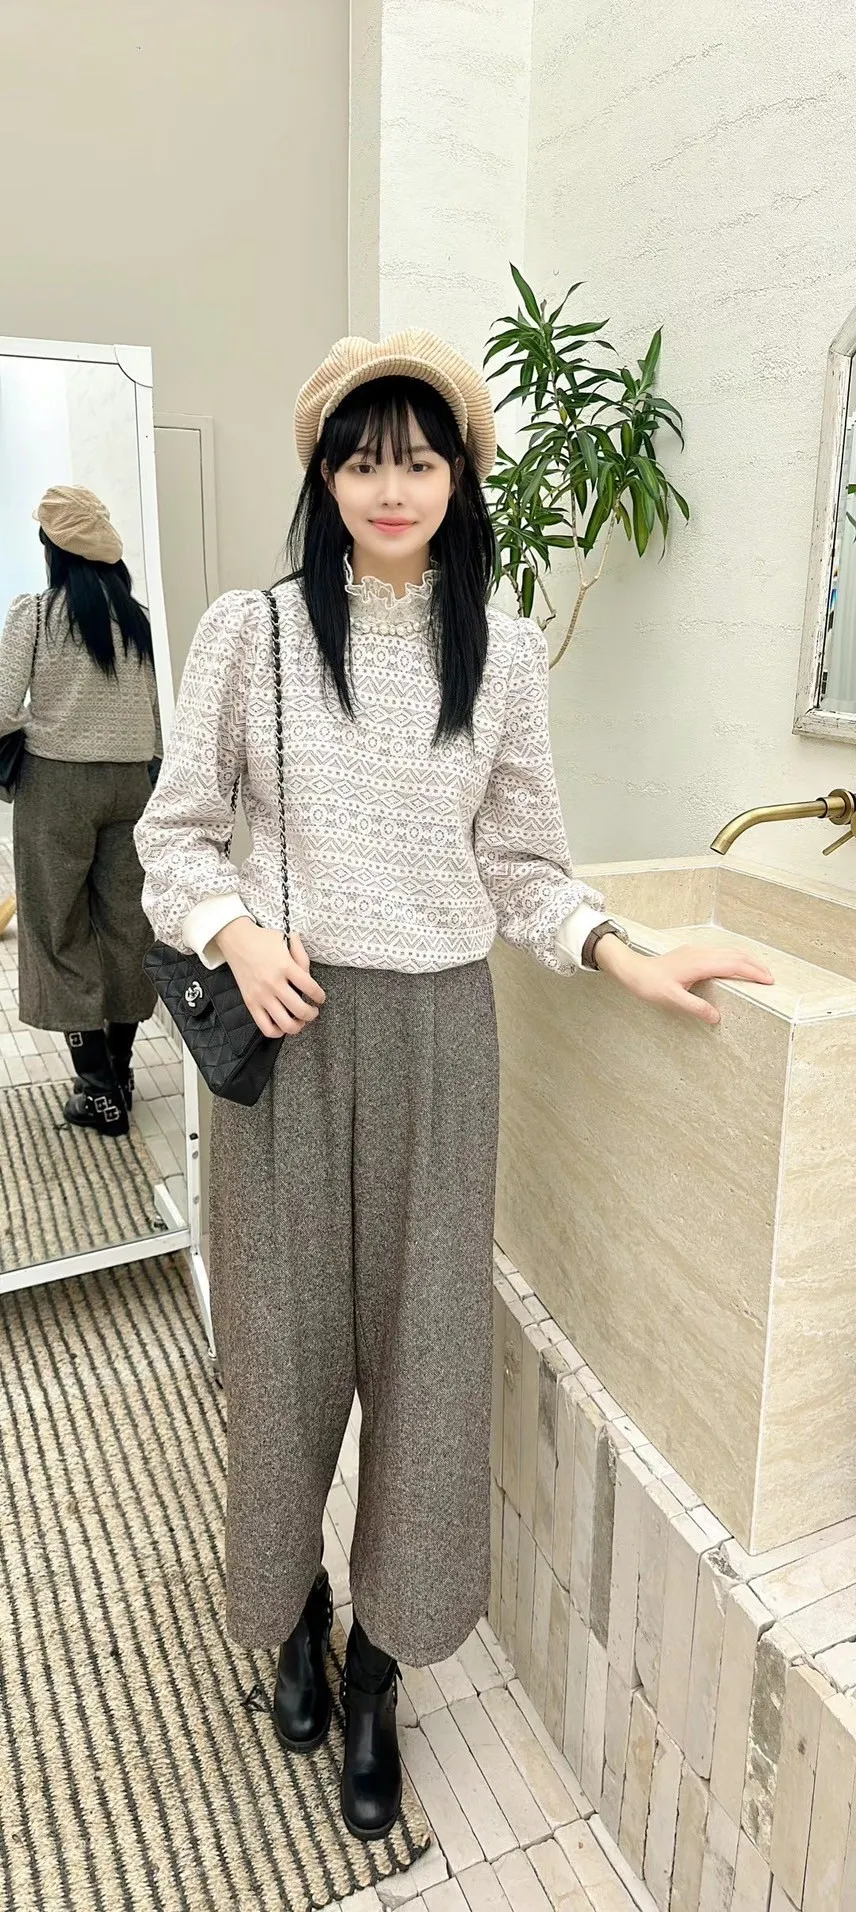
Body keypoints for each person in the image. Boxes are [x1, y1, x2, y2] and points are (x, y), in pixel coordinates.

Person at [135, 331, 773, 1840]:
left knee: (426, 1366)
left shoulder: (505, 650)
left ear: (460, 474)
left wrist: (622, 952)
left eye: (418, 459)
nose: (390, 486)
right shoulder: (252, 634)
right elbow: (175, 833)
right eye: (361, 459)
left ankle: (376, 1668)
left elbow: (523, 863)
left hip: (443, 1039)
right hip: (288, 1034)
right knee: (282, 1356)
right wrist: (233, 930)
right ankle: (289, 1607)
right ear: (323, 474)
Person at [0, 486, 161, 1137]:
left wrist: (30, 731)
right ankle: (121, 1070)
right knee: (128, 928)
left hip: (58, 786)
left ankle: (98, 1091)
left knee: (55, 927)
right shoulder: (138, 619)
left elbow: (1, 704)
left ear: (52, 549)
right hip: (135, 784)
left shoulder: (38, 614)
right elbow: (156, 713)